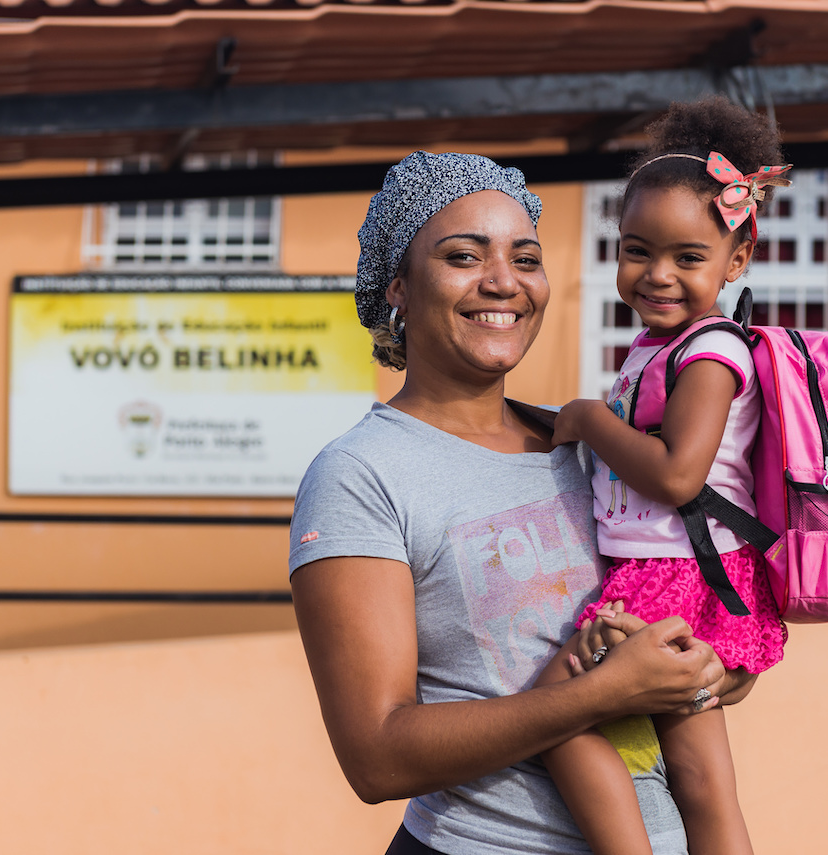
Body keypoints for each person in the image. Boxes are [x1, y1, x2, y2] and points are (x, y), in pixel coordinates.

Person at [288, 150, 758, 855]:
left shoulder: (586, 437)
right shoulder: (362, 474)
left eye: (526, 257)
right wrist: (600, 694)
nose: (503, 281)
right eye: (462, 256)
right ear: (399, 287)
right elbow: (377, 756)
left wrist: (713, 667)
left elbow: (692, 612)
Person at [533, 97, 792, 855]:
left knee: (560, 713)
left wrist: (588, 418)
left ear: (736, 260)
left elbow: (679, 475)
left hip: (676, 576)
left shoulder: (710, 354)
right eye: (637, 250)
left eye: (688, 257)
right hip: (691, 571)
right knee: (700, 776)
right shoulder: (660, 345)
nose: (657, 275)